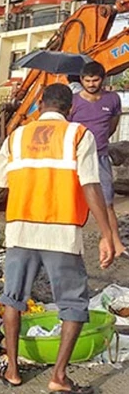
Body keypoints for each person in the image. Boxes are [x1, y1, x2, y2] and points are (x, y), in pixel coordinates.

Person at [0, 84, 114, 394]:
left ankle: (12, 370)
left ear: (39, 103)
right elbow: (90, 185)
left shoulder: (17, 137)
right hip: (61, 232)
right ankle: (59, 376)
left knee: (12, 298)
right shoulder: (78, 135)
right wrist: (106, 234)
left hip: (21, 229)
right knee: (73, 305)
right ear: (71, 108)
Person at [69, 61, 126, 257]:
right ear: (82, 80)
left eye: (95, 80)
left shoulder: (112, 99)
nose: (91, 84)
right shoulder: (73, 102)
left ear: (102, 79)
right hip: (75, 158)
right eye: (87, 80)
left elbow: (112, 125)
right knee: (70, 201)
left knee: (107, 201)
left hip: (100, 156)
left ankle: (115, 242)